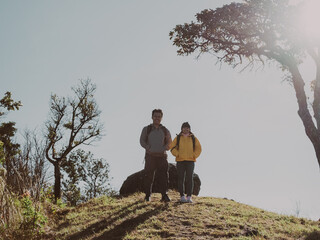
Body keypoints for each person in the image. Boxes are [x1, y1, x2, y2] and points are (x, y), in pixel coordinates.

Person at [140, 109, 172, 202]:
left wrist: (165, 148)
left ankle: (164, 195)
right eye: (155, 116)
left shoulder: (165, 130)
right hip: (150, 156)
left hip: (162, 156)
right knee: (148, 176)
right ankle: (147, 195)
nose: (157, 118)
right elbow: (142, 141)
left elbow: (170, 142)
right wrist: (148, 147)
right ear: (152, 117)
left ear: (161, 118)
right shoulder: (147, 129)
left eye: (159, 116)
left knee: (164, 177)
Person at [170, 122, 202, 203]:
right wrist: (177, 154)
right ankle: (182, 196)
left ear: (189, 129)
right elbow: (172, 147)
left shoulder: (193, 138)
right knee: (180, 178)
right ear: (181, 129)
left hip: (190, 161)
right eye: (184, 128)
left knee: (189, 178)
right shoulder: (178, 138)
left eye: (187, 128)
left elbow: (199, 148)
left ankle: (189, 196)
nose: (186, 129)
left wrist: (193, 155)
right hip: (180, 161)